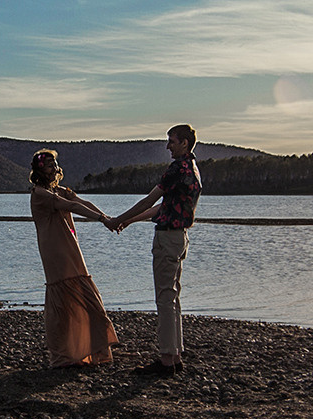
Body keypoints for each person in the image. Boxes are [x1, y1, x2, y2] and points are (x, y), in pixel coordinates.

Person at [107, 124, 201, 374]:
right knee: (173, 296)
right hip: (180, 238)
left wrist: (117, 219)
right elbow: (164, 207)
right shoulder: (193, 169)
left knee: (165, 298)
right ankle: (175, 354)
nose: (168, 146)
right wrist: (130, 221)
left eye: (172, 141)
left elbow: (150, 200)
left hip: (168, 238)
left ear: (184, 143)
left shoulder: (176, 169)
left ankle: (167, 359)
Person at [27, 148, 119, 368]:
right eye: (49, 165)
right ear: (39, 170)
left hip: (69, 247)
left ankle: (91, 348)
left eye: (54, 164)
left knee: (85, 294)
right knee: (63, 299)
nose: (54, 168)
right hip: (55, 251)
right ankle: (64, 354)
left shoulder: (59, 190)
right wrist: (102, 219)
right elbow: (72, 206)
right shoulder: (40, 194)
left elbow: (81, 202)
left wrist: (107, 217)